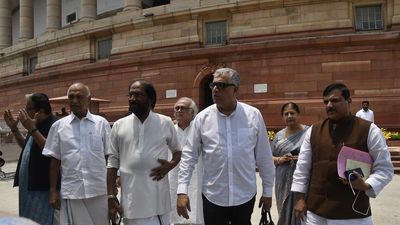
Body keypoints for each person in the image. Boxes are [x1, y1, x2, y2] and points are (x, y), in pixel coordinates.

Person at [177, 68, 275, 225]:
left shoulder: (253, 115)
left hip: (245, 196)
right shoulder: (202, 119)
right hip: (213, 197)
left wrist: (268, 190)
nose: (216, 89)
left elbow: (264, 156)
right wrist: (182, 190)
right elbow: (189, 156)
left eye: (222, 85)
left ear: (235, 89)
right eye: (213, 85)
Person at [291, 83, 393, 225]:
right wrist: (300, 198)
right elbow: (302, 168)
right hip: (315, 213)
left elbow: (385, 168)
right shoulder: (314, 130)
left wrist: (366, 185)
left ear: (349, 101)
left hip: (352, 214)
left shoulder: (369, 130)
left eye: (335, 100)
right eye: (326, 101)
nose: (329, 105)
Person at [107, 80, 181, 225]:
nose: (132, 99)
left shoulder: (165, 122)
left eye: (138, 95)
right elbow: (112, 161)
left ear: (151, 99)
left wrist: (170, 165)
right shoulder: (119, 125)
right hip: (131, 201)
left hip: (158, 201)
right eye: (131, 95)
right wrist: (110, 195)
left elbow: (177, 151)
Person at [42, 83, 111, 225]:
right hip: (72, 191)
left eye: (79, 97)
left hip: (98, 189)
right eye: (71, 97)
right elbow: (55, 161)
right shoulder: (59, 126)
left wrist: (112, 187)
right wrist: (53, 191)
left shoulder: (101, 124)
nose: (74, 101)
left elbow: (109, 157)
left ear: (89, 99)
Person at [3, 93, 58, 225]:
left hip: (42, 187)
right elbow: (25, 146)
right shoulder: (34, 124)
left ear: (41, 111)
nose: (25, 112)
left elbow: (49, 150)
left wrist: (32, 129)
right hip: (28, 184)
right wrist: (14, 129)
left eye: (29, 109)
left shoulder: (54, 125)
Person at [271, 102, 309, 225]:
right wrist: (280, 159)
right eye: (286, 114)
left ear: (298, 114)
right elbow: (269, 157)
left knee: (302, 213)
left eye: (292, 113)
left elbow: (316, 155)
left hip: (303, 180)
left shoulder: (308, 132)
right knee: (284, 211)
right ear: (282, 117)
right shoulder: (279, 136)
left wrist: (303, 158)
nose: (289, 116)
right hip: (282, 181)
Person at [169, 97, 204, 225]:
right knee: (173, 212)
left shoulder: (200, 130)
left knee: (196, 210)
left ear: (193, 112)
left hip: (197, 176)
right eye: (177, 108)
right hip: (173, 177)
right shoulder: (169, 130)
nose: (179, 111)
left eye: (183, 108)